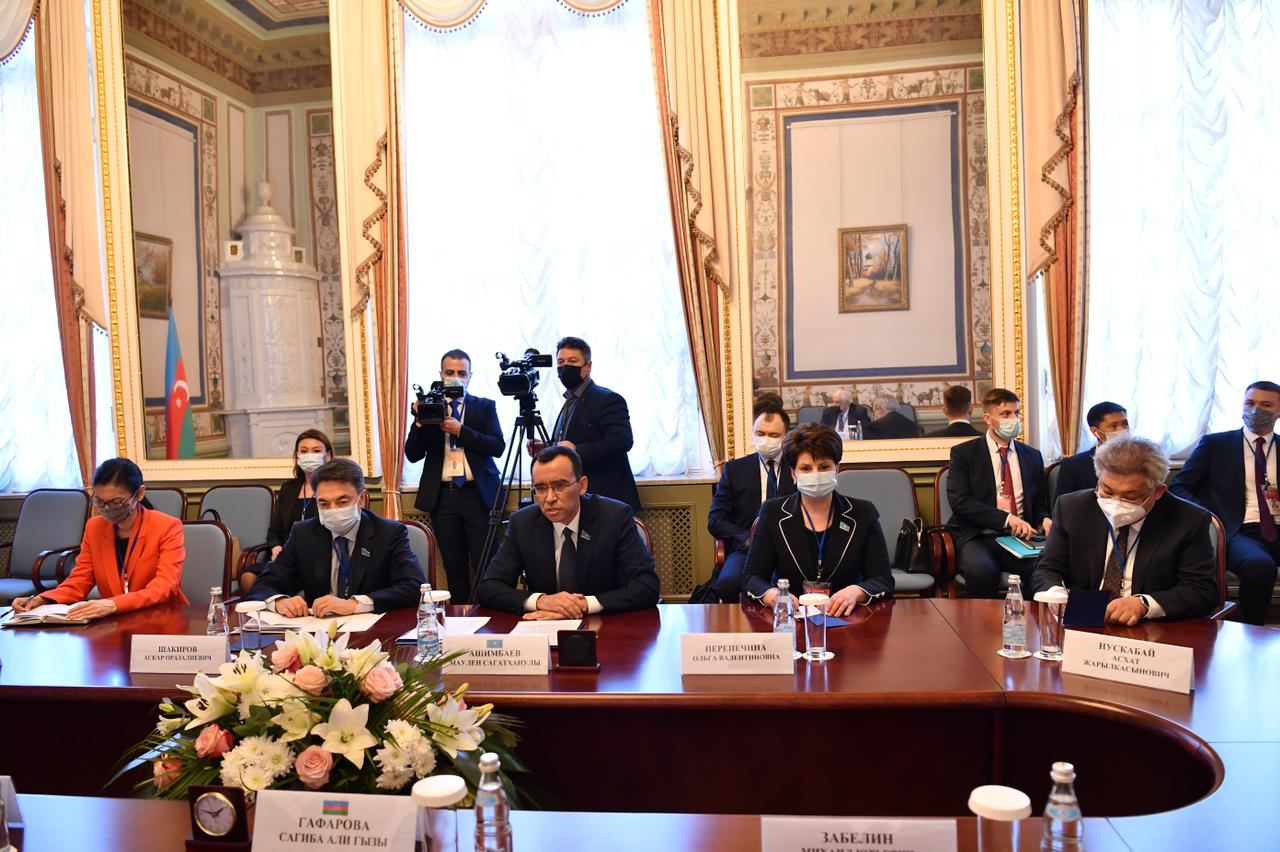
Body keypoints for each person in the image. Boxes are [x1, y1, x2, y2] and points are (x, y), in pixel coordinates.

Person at [1032, 436, 1217, 624]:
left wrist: (1144, 604)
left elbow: (1201, 591)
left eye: (1130, 497)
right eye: (1107, 491)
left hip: (1149, 626)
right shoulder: (1072, 508)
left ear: (1157, 492)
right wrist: (1056, 595)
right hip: (1082, 620)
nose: (1116, 503)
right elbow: (1048, 568)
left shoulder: (1189, 520)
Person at [476, 445, 658, 617]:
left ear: (582, 485)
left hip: (605, 624)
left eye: (559, 486)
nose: (549, 498)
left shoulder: (614, 517)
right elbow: (489, 588)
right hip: (545, 626)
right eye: (540, 488)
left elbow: (647, 586)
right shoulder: (523, 523)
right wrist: (541, 601)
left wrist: (583, 605)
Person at [743, 424, 893, 616]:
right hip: (791, 617)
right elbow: (752, 578)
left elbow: (883, 580)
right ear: (793, 473)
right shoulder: (773, 513)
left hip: (847, 617)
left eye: (824, 467)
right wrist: (773, 595)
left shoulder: (863, 513)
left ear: (837, 469)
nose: (815, 474)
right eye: (806, 468)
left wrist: (856, 592)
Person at [12, 458, 188, 619]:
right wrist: (42, 599)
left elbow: (165, 586)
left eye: (117, 502)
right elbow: (80, 580)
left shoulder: (166, 526)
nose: (107, 509)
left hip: (160, 618)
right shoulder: (95, 527)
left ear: (139, 493)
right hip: (116, 621)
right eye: (100, 502)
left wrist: (114, 604)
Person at [246, 459, 425, 615]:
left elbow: (414, 586)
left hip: (373, 630)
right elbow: (263, 585)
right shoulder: (303, 533)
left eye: (342, 501)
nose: (333, 510)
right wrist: (280, 602)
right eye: (324, 503)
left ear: (361, 499)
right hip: (320, 631)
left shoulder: (388, 533)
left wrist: (355, 604)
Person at [1171, 380, 1280, 625]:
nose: (1256, 410)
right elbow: (1179, 487)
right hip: (1238, 530)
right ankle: (1253, 633)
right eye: (1250, 403)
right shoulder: (1216, 445)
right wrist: (1210, 517)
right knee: (1259, 566)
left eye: (1266, 405)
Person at [404, 349, 504, 605]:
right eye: (450, 372)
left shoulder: (484, 406)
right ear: (441, 374)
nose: (455, 378)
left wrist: (462, 431)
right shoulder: (431, 408)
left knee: (486, 564)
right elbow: (412, 454)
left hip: (478, 495)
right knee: (454, 567)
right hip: (444, 497)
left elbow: (497, 446)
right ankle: (460, 617)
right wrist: (419, 420)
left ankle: (489, 614)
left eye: (461, 373)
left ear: (470, 376)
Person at [946, 388, 1051, 598]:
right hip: (979, 536)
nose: (1014, 419)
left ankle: (1031, 619)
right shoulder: (965, 453)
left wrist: (1044, 520)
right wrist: (1007, 518)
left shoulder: (1032, 456)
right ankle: (986, 621)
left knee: (1042, 570)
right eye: (1005, 414)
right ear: (988, 418)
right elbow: (960, 501)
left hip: (1020, 538)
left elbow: (1039, 502)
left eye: (1016, 413)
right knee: (982, 571)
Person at [528, 336, 641, 510]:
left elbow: (622, 440)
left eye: (572, 361)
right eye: (561, 362)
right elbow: (570, 442)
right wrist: (548, 448)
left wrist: (577, 451)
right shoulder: (569, 402)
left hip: (607, 498)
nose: (565, 367)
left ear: (588, 366)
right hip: (576, 501)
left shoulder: (608, 399)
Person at [707, 399, 796, 602]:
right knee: (728, 584)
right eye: (760, 434)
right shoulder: (735, 470)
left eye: (774, 435)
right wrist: (746, 538)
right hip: (747, 549)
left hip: (791, 550)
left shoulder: (797, 467)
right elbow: (715, 520)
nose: (766, 440)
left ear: (786, 436)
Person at [244, 429, 335, 592]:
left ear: (327, 456)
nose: (309, 455)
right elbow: (274, 531)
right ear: (297, 456)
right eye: (304, 451)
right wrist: (276, 548)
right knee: (249, 577)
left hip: (319, 558)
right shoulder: (289, 488)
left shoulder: (335, 489)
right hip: (286, 558)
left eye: (316, 451)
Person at [1054, 402, 1129, 497]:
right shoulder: (1074, 465)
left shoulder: (1140, 460)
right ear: (1095, 431)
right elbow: (1062, 503)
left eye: (1125, 424)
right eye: (1114, 426)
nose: (1122, 430)